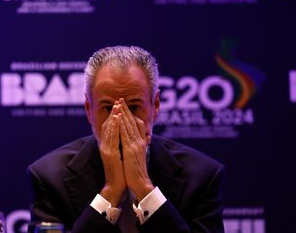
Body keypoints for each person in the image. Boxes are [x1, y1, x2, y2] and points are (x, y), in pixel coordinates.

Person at [27, 46, 226, 233]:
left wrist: (144, 187)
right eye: (107, 108)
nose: (121, 119)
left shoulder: (202, 176)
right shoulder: (50, 177)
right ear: (89, 110)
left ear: (155, 106)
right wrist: (110, 192)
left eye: (133, 107)